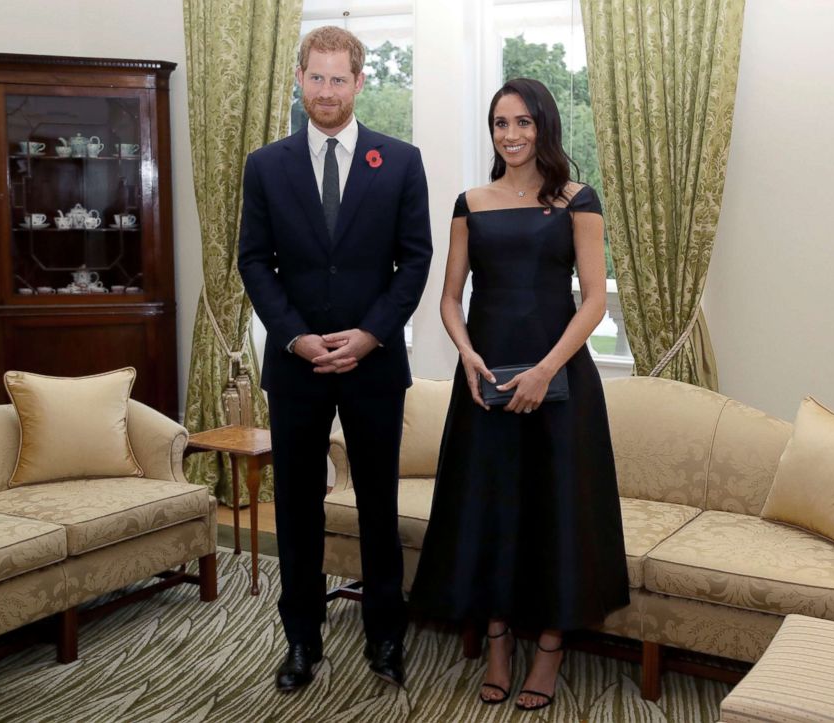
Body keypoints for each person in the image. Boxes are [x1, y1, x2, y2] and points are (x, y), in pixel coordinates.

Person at [409, 78, 629, 712]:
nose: (511, 135)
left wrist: (542, 371)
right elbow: (451, 298)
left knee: (555, 511)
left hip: (560, 381)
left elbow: (592, 300)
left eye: (523, 123)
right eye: (501, 123)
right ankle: (499, 642)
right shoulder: (470, 202)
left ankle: (551, 649)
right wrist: (470, 358)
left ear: (544, 128)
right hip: (485, 382)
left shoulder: (576, 200)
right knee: (493, 510)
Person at [238, 26, 432, 692]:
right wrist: (293, 335)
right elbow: (253, 262)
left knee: (378, 504)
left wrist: (371, 334)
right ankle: (301, 641)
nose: (326, 91)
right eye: (315, 78)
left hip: (374, 365)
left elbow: (416, 261)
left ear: (359, 81)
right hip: (296, 366)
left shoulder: (400, 161)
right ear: (298, 78)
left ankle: (384, 638)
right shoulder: (265, 165)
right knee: (297, 508)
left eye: (338, 78)